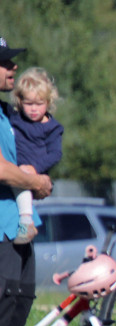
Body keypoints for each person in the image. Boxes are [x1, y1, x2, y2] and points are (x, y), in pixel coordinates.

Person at [0, 36, 53, 326]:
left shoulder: (6, 113)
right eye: (4, 62)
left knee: (16, 310)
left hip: (15, 228)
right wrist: (35, 184)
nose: (12, 68)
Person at [10, 67, 62, 244]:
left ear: (48, 102)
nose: (33, 109)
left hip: (33, 170)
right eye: (28, 103)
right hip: (16, 166)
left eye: (39, 104)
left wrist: (35, 168)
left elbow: (55, 154)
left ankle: (26, 221)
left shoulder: (52, 128)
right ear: (20, 101)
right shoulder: (15, 119)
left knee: (21, 181)